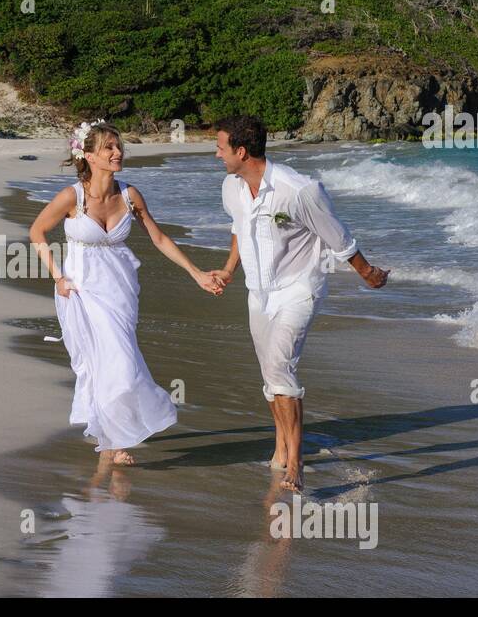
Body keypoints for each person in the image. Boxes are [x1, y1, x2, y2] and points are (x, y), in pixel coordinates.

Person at [208, 115, 389, 492]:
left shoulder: (299, 190)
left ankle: (296, 462)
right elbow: (240, 228)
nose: (216, 155)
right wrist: (228, 269)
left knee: (279, 367)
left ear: (241, 151)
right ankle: (279, 449)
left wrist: (367, 272)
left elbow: (339, 238)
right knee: (270, 377)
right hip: (258, 292)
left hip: (299, 289)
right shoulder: (231, 186)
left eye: (221, 148)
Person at [30, 120, 224, 465]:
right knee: (105, 363)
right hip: (80, 290)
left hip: (120, 290)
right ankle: (113, 439)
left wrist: (195, 273)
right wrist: (58, 276)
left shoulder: (130, 195)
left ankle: (111, 435)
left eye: (118, 147)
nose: (117, 153)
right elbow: (37, 232)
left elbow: (159, 238)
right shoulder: (70, 197)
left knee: (119, 359)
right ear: (88, 155)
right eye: (108, 147)